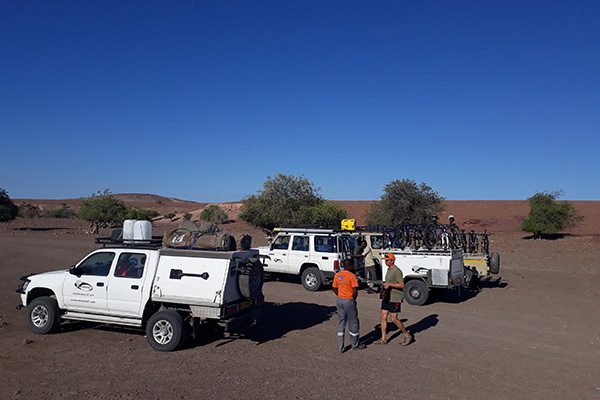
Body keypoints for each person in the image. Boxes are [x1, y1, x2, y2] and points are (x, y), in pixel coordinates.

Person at [375, 253, 412, 346]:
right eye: (385, 260)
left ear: (392, 260)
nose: (385, 262)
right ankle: (383, 338)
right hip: (387, 296)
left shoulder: (397, 271)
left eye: (387, 260)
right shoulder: (389, 269)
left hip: (395, 297)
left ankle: (407, 335)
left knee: (394, 319)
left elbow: (402, 285)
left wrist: (390, 285)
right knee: (383, 316)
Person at [332, 258, 366, 352]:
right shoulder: (352, 276)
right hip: (348, 301)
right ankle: (355, 344)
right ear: (350, 266)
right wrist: (352, 299)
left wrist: (339, 295)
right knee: (353, 322)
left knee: (341, 322)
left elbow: (334, 287)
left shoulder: (337, 275)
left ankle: (340, 347)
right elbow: (355, 290)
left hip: (340, 300)